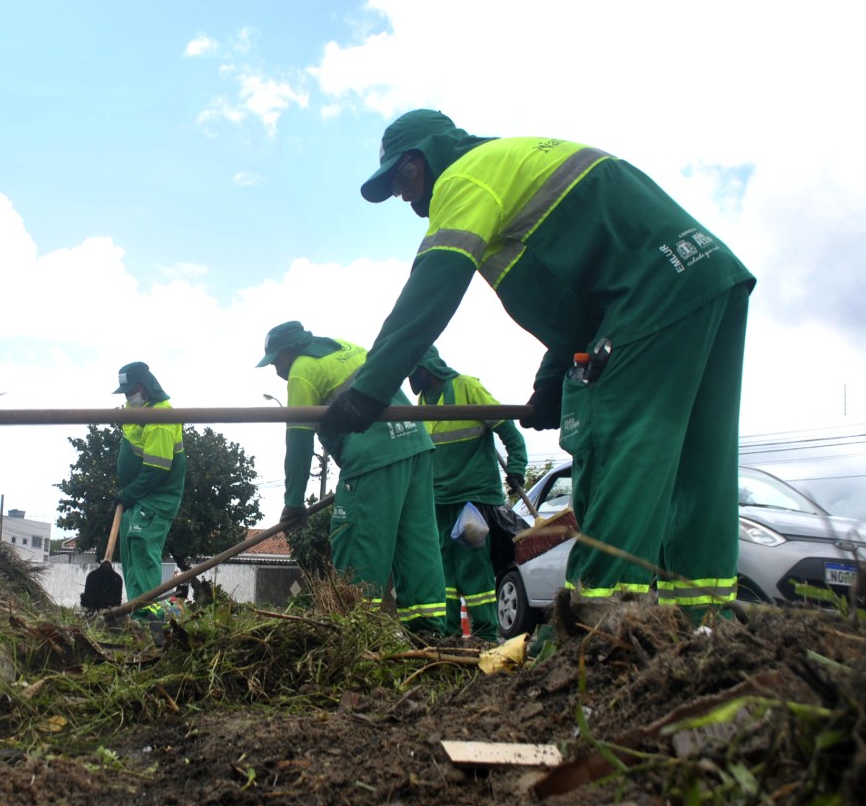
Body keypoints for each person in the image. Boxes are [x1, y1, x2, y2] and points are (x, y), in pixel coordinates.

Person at [318, 109, 755, 624]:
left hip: (648, 298)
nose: (401, 193)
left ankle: (596, 630)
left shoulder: (465, 176)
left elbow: (434, 285)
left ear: (427, 157)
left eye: (402, 176)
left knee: (620, 447)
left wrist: (370, 387)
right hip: (707, 277)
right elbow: (585, 298)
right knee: (698, 463)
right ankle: (705, 628)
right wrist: (550, 380)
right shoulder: (514, 163)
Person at [258, 321, 447, 637]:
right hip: (415, 443)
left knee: (359, 545)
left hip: (374, 455)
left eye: (276, 360)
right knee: (416, 545)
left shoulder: (302, 370)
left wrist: (293, 504)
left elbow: (299, 441)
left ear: (289, 351)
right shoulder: (344, 347)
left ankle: (354, 634)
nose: (276, 369)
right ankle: (428, 635)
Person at [409, 346, 528, 640]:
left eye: (413, 371)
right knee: (443, 571)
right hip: (439, 499)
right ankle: (449, 634)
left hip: (472, 497)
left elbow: (509, 431)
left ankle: (486, 633)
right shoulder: (422, 402)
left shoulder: (467, 388)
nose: (411, 378)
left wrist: (516, 468)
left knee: (473, 566)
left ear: (427, 369)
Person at [112, 361, 186, 627]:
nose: (127, 397)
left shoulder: (161, 417)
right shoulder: (141, 413)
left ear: (143, 389)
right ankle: (138, 611)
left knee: (141, 548)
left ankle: (153, 616)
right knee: (131, 551)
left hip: (156, 497)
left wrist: (128, 493)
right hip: (140, 497)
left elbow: (157, 468)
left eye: (130, 392)